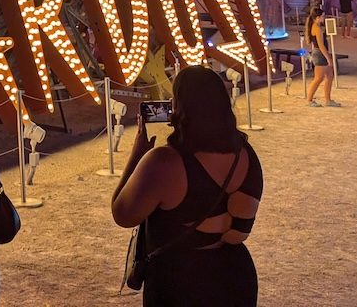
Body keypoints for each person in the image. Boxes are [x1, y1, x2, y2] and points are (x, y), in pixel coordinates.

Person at [111, 65, 263, 306]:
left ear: (181, 107)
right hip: (236, 276)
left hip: (180, 280)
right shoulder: (246, 154)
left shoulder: (164, 162)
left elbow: (122, 214)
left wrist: (137, 156)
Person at [304, 7, 340, 107]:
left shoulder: (316, 27)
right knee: (318, 78)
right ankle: (309, 100)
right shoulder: (317, 28)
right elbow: (321, 45)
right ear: (318, 17)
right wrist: (329, 59)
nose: (324, 18)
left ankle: (328, 100)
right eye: (323, 16)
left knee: (329, 76)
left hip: (319, 53)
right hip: (320, 54)